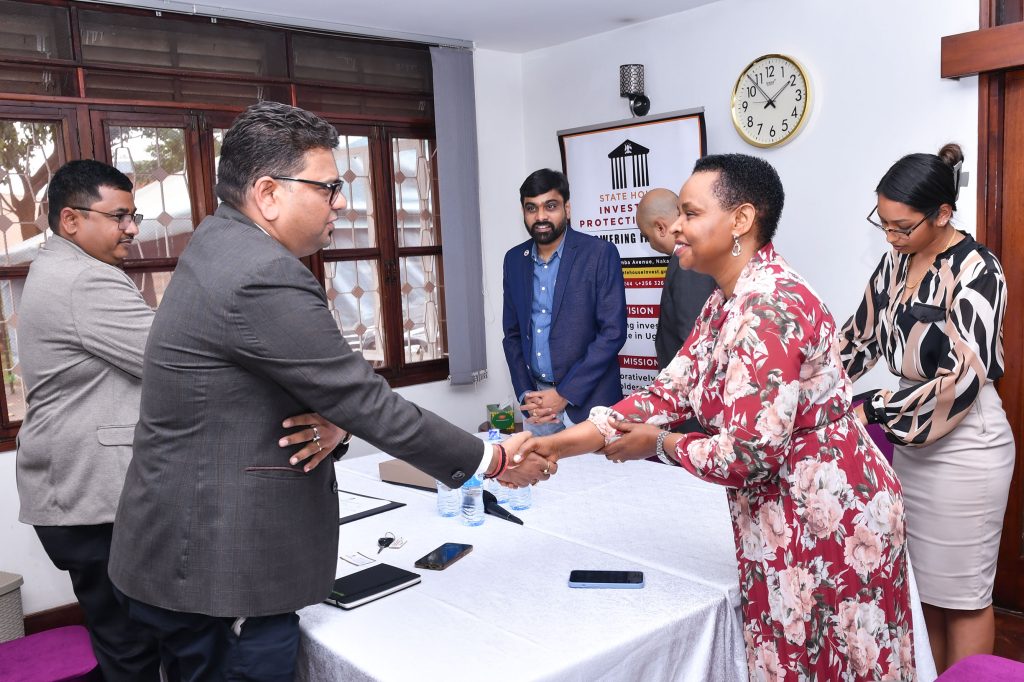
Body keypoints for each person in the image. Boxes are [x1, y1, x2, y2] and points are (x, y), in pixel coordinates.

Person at [106, 102, 546, 681]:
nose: (340, 202)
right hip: (219, 563)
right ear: (268, 193)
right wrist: (488, 457)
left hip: (180, 542)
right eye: (329, 187)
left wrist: (337, 417)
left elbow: (284, 384)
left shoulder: (219, 241)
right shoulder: (260, 272)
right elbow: (360, 396)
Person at [516, 154, 916, 680]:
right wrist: (562, 444)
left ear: (741, 221)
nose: (676, 226)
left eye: (690, 212)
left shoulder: (768, 307)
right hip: (784, 509)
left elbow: (750, 453)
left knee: (836, 664)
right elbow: (668, 391)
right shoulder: (727, 300)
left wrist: (661, 445)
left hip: (830, 516)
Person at [15, 159, 346, 681]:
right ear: (71, 221)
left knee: (131, 646)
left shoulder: (57, 269)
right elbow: (174, 357)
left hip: (72, 496)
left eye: (134, 216)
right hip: (94, 498)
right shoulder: (84, 281)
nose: (131, 229)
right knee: (170, 644)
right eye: (119, 216)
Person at [840, 143, 1014, 673]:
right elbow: (856, 340)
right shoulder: (896, 262)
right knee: (924, 591)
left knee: (963, 595)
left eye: (902, 226)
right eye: (884, 223)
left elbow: (962, 377)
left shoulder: (979, 268)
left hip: (966, 441)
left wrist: (871, 406)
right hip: (914, 441)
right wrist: (803, 385)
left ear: (943, 213)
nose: (891, 237)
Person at [502, 169, 627, 435]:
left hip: (590, 403)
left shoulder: (599, 254)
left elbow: (613, 333)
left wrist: (564, 394)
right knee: (542, 476)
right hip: (538, 407)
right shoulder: (514, 260)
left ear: (567, 208)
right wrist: (527, 394)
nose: (541, 217)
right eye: (531, 208)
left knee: (602, 478)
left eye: (550, 206)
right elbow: (512, 335)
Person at [635, 187, 716, 371]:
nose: (650, 244)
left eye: (647, 236)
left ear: (660, 228)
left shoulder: (687, 262)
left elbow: (692, 339)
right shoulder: (690, 255)